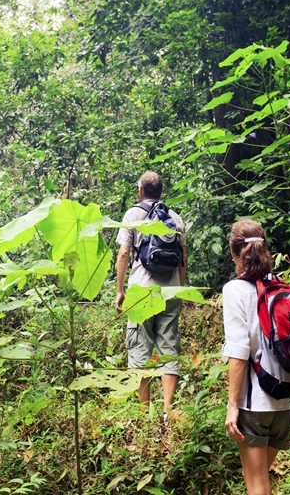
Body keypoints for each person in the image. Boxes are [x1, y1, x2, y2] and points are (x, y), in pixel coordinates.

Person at [222, 219, 290, 495]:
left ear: (233, 253)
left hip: (256, 403)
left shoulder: (234, 290)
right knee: (261, 480)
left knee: (257, 486)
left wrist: (233, 405)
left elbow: (238, 351)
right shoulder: (283, 287)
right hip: (288, 400)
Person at [114, 171, 188, 413]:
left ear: (141, 191)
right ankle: (167, 413)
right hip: (171, 291)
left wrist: (120, 290)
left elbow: (124, 254)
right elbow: (183, 258)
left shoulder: (133, 214)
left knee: (139, 350)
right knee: (168, 349)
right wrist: (179, 289)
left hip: (142, 292)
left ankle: (144, 413)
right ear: (160, 191)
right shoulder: (175, 218)